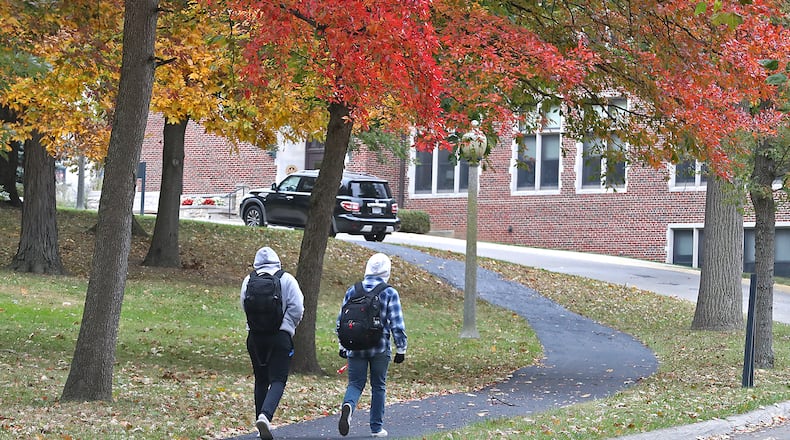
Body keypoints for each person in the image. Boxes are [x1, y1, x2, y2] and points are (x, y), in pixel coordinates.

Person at [337, 253, 407, 438]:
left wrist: (343, 346)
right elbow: (397, 323)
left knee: (355, 383)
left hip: (355, 346)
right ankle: (376, 428)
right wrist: (401, 348)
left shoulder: (353, 290)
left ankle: (349, 406)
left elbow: (341, 320)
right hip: (380, 347)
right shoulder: (389, 292)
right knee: (378, 386)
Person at [240, 247, 304, 440]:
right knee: (278, 379)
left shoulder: (248, 280)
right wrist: (287, 327)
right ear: (277, 262)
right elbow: (297, 307)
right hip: (280, 336)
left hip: (255, 336)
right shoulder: (286, 279)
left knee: (261, 379)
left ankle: (261, 426)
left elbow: (244, 304)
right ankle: (265, 416)